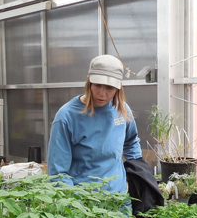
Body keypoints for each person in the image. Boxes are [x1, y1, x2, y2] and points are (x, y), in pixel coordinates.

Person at [47, 54, 142, 194]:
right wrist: (76, 205)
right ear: (89, 82)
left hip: (118, 201)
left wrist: (139, 172)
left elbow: (131, 141)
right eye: (98, 85)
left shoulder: (121, 110)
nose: (102, 94)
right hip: (84, 202)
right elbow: (58, 172)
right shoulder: (67, 116)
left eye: (109, 87)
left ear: (118, 88)